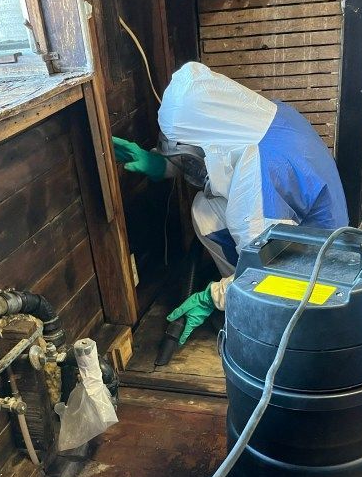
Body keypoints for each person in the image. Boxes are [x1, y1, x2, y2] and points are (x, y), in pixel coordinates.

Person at [113, 62, 348, 344]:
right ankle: (239, 288)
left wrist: (213, 296)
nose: (186, 165)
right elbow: (216, 154)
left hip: (316, 272)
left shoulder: (259, 178)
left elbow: (271, 269)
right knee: (206, 207)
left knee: (244, 254)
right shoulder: (266, 118)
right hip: (311, 229)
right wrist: (162, 165)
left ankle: (254, 306)